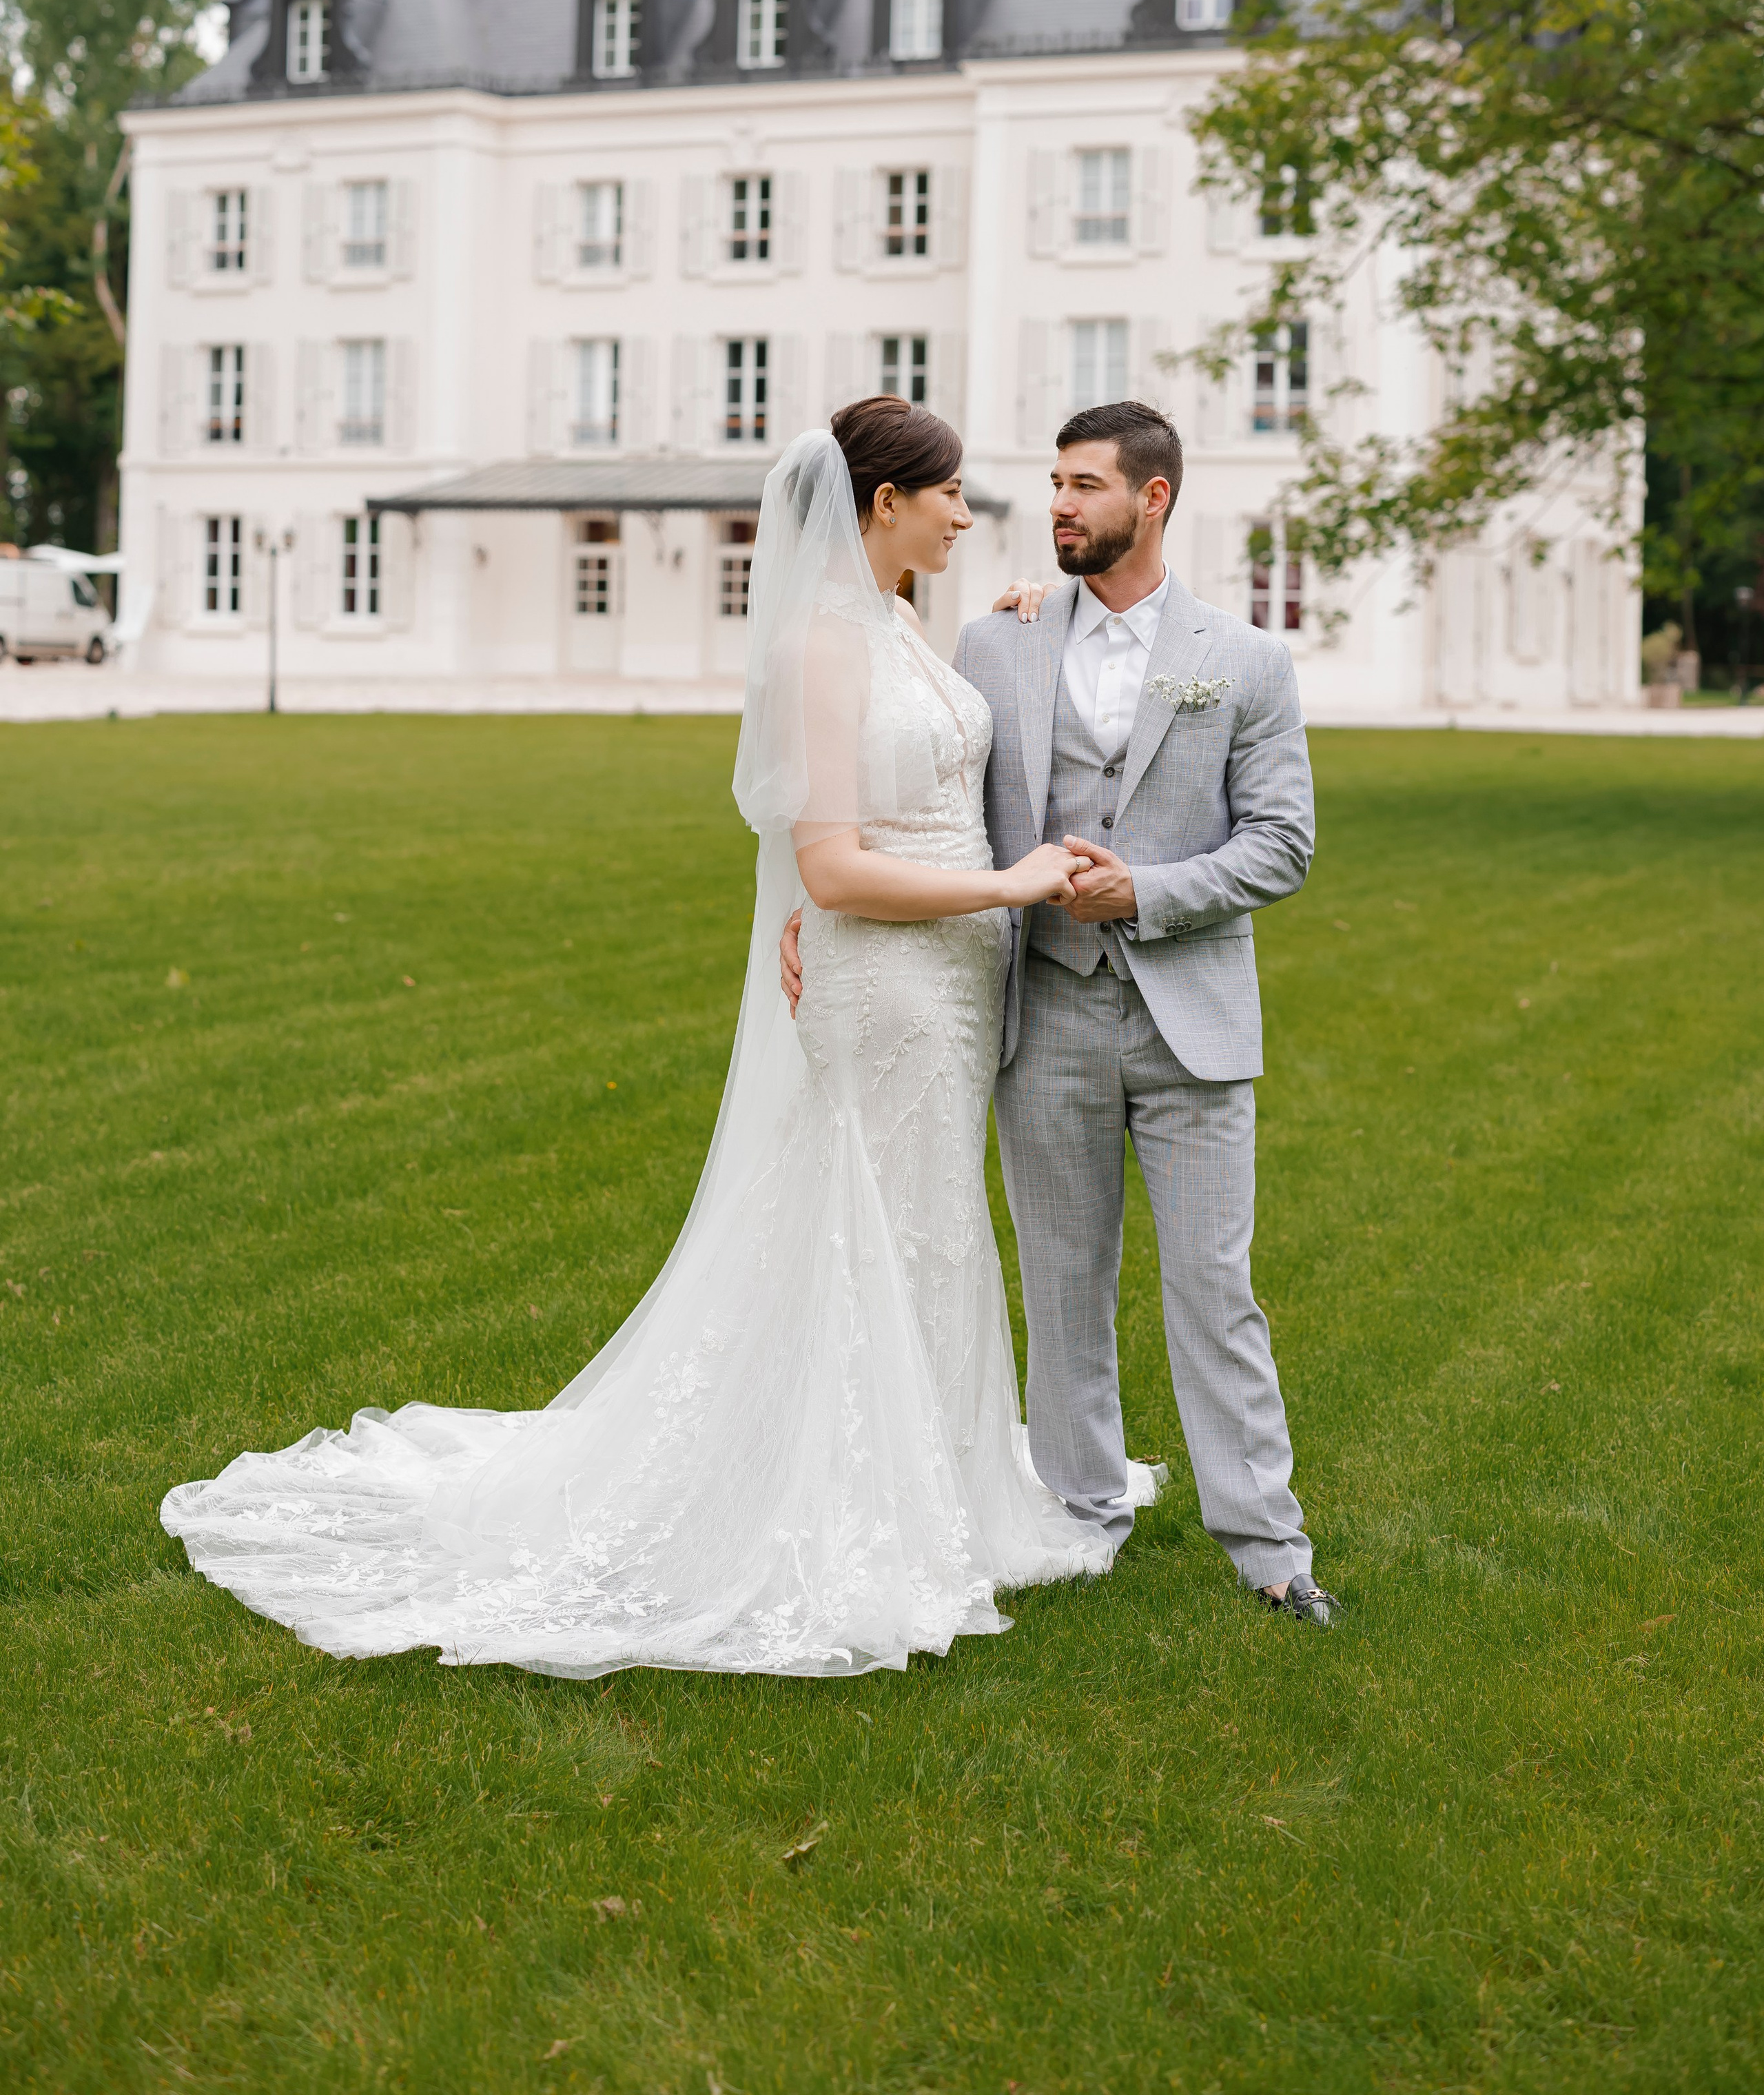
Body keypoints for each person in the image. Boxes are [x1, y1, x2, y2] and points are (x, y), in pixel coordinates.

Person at [161, 399, 1154, 1682]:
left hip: (953, 996)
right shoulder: (817, 647)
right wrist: (1012, 888)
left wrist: (1037, 610)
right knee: (864, 1232)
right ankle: (839, 1513)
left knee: (929, 1233)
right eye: (951, 493)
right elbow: (837, 865)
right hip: (888, 983)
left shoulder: (905, 623)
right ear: (884, 503)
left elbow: (939, 757)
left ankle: (941, 1493)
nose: (971, 514)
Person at [782, 400, 1338, 1624]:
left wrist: (1150, 891)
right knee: (1063, 1281)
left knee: (1214, 1287)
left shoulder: (1246, 661)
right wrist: (804, 907)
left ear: (1155, 500)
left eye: (1085, 487)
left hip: (1190, 1022)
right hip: (1042, 1011)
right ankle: (1080, 1508)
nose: (1057, 508)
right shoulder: (995, 644)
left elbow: (1284, 845)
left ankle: (1266, 1545)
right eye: (1054, 486)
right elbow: (895, 794)